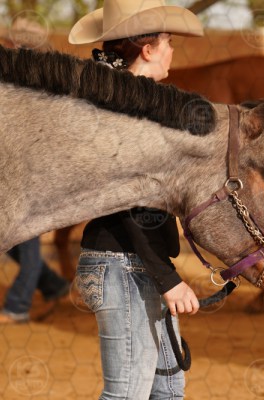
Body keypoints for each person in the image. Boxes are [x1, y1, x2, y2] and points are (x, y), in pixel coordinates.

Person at [68, 1, 203, 398]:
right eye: (169, 41)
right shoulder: (125, 108)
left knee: (168, 391)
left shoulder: (128, 101)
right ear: (148, 49)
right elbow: (129, 203)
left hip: (133, 265)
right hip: (123, 265)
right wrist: (168, 280)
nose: (172, 50)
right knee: (127, 394)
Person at [0, 18, 70, 325]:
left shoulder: (37, 86)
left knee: (25, 240)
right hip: (17, 173)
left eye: (9, 43)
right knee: (12, 239)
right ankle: (53, 285)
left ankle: (17, 306)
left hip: (31, 177)